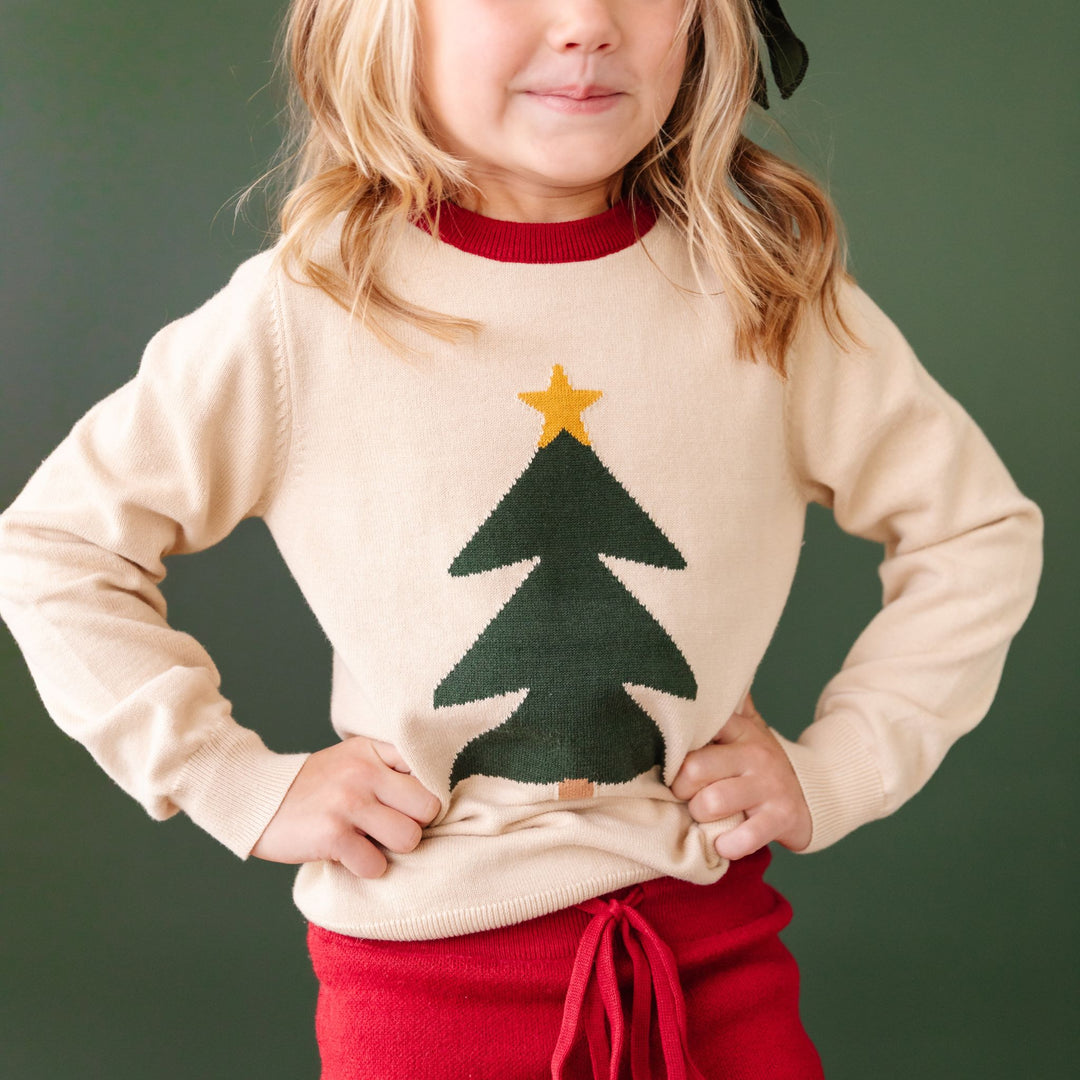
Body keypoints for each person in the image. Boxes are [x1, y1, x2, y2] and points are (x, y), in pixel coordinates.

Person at [0, 1, 1043, 1077]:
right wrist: (233, 780)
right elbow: (56, 550)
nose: (587, 23)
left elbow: (976, 532)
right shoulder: (306, 310)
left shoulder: (765, 289)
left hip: (717, 964)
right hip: (419, 991)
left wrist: (843, 766)